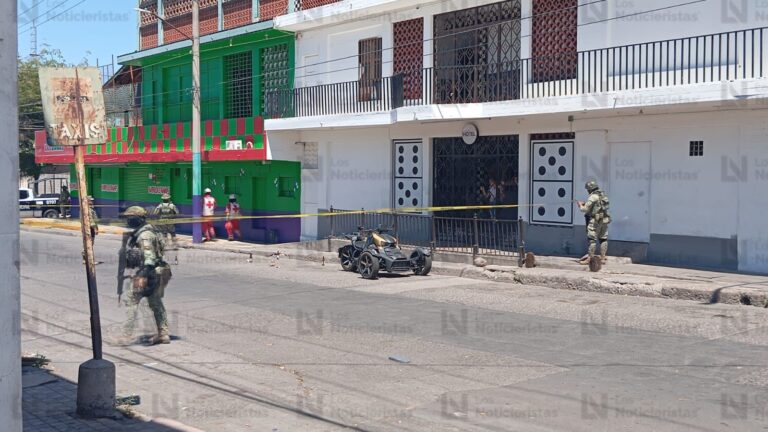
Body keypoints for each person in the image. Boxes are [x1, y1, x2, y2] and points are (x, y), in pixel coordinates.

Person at [118, 206, 172, 345]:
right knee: (155, 302)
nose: (128, 220)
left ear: (138, 219)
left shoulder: (144, 236)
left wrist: (142, 278)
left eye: (130, 218)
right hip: (158, 271)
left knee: (131, 300)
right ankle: (163, 334)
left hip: (149, 272)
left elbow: (149, 259)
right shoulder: (149, 230)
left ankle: (125, 335)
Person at [577, 180, 612, 265]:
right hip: (604, 220)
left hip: (595, 221)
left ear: (590, 189)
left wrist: (580, 205)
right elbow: (598, 206)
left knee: (592, 240)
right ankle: (603, 258)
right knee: (603, 238)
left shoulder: (592, 197)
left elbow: (584, 209)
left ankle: (589, 259)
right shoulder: (602, 195)